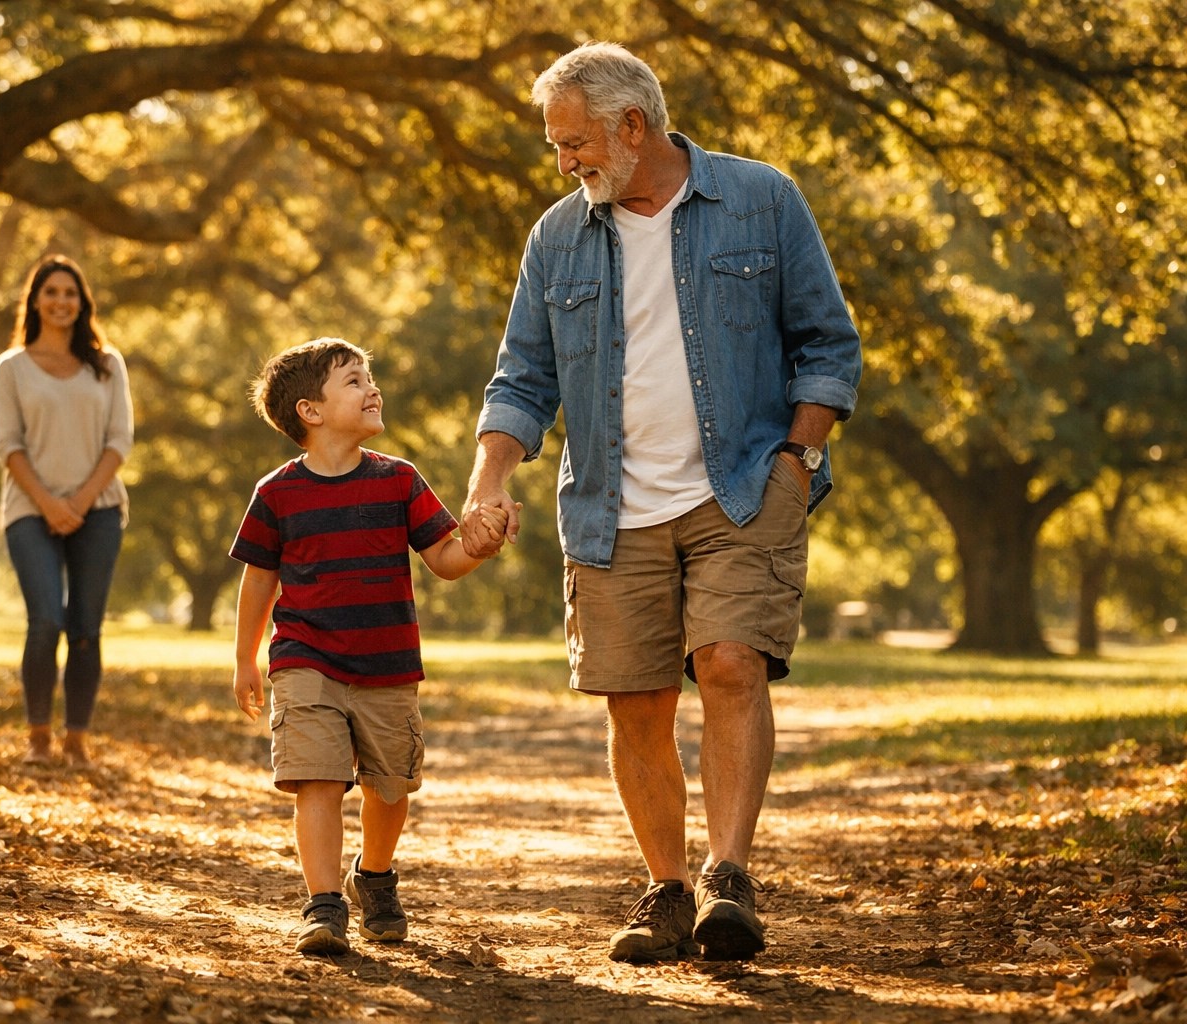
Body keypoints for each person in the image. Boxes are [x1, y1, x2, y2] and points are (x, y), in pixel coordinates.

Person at [461, 42, 862, 963]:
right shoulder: (556, 237)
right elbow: (522, 378)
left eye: (573, 143)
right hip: (611, 505)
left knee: (730, 663)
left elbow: (828, 345)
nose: (564, 162)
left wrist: (798, 460)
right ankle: (668, 890)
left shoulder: (762, 200)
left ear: (633, 126)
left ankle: (730, 878)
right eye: (558, 146)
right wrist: (490, 480)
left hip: (743, 487)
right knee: (636, 703)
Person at [230, 337, 506, 956]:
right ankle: (324, 904)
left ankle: (374, 875)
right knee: (316, 779)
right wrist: (246, 658)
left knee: (390, 787)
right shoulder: (276, 493)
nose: (371, 388)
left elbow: (444, 558)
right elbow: (259, 579)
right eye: (353, 380)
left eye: (369, 377)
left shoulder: (398, 479)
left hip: (387, 664)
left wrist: (479, 547)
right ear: (311, 411)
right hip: (306, 659)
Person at [0, 255, 135, 768]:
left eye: (70, 293)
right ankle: (38, 737)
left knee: (86, 628)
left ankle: (76, 740)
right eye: (50, 291)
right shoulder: (11, 367)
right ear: (34, 301)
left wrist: (78, 502)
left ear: (82, 302)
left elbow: (119, 441)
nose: (60, 301)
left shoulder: (107, 364)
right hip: (29, 510)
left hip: (99, 510)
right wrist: (50, 504)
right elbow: (8, 445)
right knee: (46, 620)